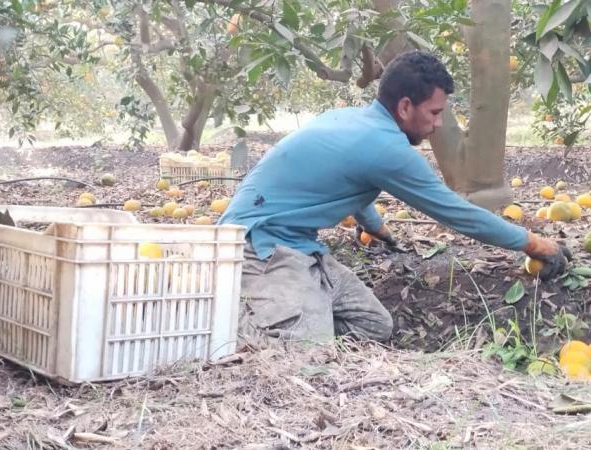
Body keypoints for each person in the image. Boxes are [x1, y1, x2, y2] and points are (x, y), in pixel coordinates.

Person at [219, 50, 569, 345]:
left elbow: (349, 184)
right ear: (405, 107)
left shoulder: (351, 120)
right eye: (434, 113)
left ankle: (300, 311)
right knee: (309, 354)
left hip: (298, 245)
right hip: (258, 247)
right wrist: (535, 244)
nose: (437, 123)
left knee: (375, 325)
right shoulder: (385, 148)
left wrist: (377, 227)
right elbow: (457, 214)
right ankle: (244, 327)